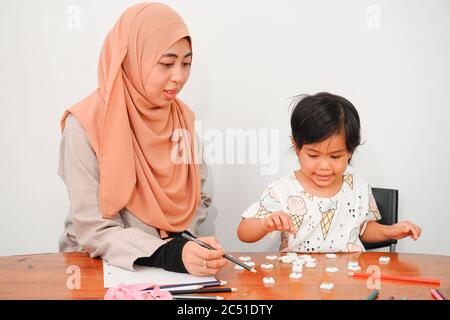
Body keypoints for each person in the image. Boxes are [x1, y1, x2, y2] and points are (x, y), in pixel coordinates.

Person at [58, 3, 227, 276]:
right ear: (132, 58)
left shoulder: (182, 118)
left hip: (170, 273)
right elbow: (91, 226)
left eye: (186, 64)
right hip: (96, 269)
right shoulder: (85, 124)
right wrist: (166, 253)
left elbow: (199, 197)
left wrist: (183, 247)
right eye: (166, 63)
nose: (179, 77)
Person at [237, 92, 422, 252]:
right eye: (313, 155)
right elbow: (243, 232)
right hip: (297, 285)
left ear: (350, 151)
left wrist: (389, 231)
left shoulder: (357, 187)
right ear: (296, 148)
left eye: (335, 157)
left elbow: (362, 229)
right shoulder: (282, 189)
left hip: (348, 281)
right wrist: (264, 224)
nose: (324, 166)